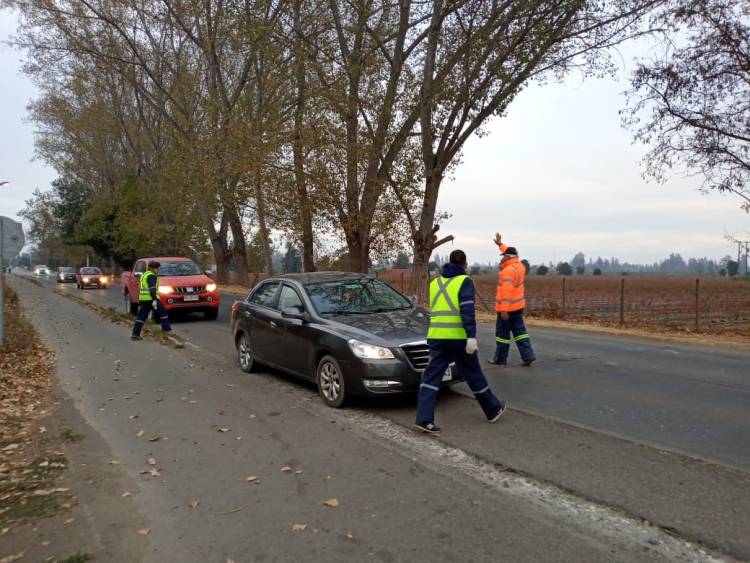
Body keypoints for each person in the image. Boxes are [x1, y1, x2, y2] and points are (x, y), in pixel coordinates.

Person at [414, 249, 506, 435]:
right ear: (464, 264)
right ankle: (493, 409)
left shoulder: (435, 283)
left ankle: (423, 419)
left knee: (431, 378)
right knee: (473, 373)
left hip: (436, 337)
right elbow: (467, 310)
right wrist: (471, 336)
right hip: (457, 338)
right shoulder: (464, 281)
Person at [489, 232, 536, 366]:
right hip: (518, 307)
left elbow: (507, 292)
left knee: (502, 335)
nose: (501, 258)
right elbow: (510, 252)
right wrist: (500, 245)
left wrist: (504, 310)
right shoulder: (519, 266)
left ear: (508, 257)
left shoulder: (508, 271)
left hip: (507, 309)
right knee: (520, 332)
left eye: (503, 257)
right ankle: (528, 355)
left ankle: (500, 359)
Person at [131, 261, 171, 340]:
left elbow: (140, 287)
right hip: (151, 299)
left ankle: (135, 334)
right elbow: (152, 289)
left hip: (143, 299)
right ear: (154, 268)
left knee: (141, 316)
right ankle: (167, 331)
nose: (158, 270)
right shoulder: (151, 276)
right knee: (163, 313)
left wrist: (140, 298)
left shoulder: (144, 275)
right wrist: (154, 300)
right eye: (158, 269)